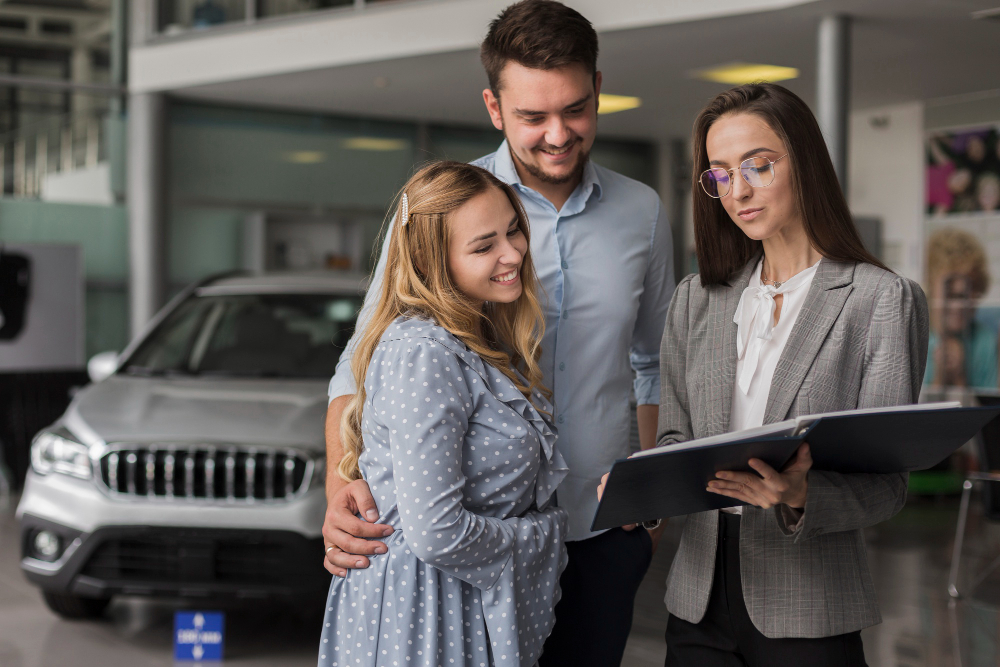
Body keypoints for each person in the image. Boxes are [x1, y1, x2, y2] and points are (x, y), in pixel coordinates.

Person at [321, 2, 676, 664]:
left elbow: (653, 363)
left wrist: (648, 506)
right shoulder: (444, 212)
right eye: (532, 116)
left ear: (598, 87)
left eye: (574, 109)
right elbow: (359, 367)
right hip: (475, 541)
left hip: (602, 535)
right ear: (493, 106)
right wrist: (340, 489)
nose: (557, 133)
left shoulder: (644, 213)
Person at [614, 82, 928, 666]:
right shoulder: (695, 300)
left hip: (811, 608)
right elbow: (679, 441)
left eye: (759, 165)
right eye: (720, 175)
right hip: (696, 604)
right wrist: (645, 486)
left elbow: (888, 486)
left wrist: (802, 494)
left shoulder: (879, 300)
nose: (739, 191)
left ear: (804, 163)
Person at [318, 161, 569, 667]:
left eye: (513, 230)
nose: (512, 252)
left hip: (445, 601)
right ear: (433, 264)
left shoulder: (469, 340)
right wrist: (542, 535)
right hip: (425, 616)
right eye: (484, 246)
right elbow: (436, 532)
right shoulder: (424, 353)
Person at [923, 227, 997, 390]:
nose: (958, 306)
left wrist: (959, 378)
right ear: (931, 288)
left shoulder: (986, 341)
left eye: (967, 294)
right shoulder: (915, 339)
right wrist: (939, 377)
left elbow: (987, 412)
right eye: (950, 294)